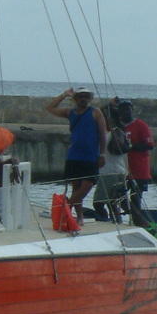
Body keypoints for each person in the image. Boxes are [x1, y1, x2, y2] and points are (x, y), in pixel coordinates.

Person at [46, 87, 107, 223]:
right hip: (74, 156)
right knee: (76, 188)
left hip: (90, 157)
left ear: (90, 98)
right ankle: (79, 217)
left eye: (86, 96)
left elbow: (102, 134)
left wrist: (102, 154)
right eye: (80, 96)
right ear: (75, 98)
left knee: (86, 187)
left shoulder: (95, 112)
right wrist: (64, 94)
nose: (83, 99)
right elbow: (50, 107)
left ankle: (64, 208)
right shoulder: (70, 113)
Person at [117, 99, 154, 226]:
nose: (126, 112)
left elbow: (149, 145)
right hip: (121, 168)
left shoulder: (141, 125)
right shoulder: (118, 127)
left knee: (136, 198)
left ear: (132, 110)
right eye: (122, 109)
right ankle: (119, 220)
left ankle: (137, 223)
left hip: (139, 169)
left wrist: (131, 146)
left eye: (128, 109)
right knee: (117, 196)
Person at [93, 103, 131, 222]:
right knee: (111, 202)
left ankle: (111, 221)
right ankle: (113, 221)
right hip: (108, 171)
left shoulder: (116, 132)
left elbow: (117, 148)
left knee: (100, 203)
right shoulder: (105, 134)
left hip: (112, 172)